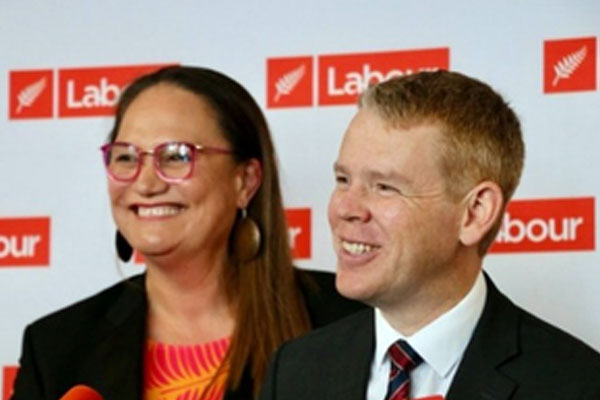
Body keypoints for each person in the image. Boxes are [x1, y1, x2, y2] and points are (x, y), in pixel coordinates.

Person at [11, 66, 364, 400]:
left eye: (177, 157)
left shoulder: (349, 322)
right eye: (126, 157)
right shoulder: (55, 348)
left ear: (245, 181)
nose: (146, 184)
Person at [259, 70, 600, 400]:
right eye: (343, 180)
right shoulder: (294, 370)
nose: (345, 208)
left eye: (384, 187)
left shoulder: (575, 385)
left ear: (475, 212)